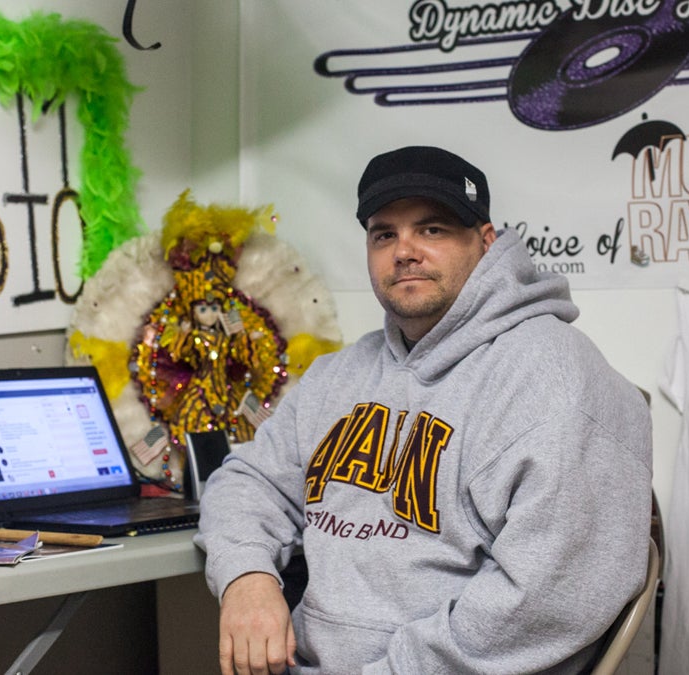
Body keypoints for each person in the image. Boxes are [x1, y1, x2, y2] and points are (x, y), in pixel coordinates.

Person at [195, 145, 653, 674]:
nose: (404, 251)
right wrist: (247, 578)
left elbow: (547, 601)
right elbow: (249, 480)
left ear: (486, 242)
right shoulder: (340, 375)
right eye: (384, 233)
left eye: (432, 229)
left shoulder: (555, 380)